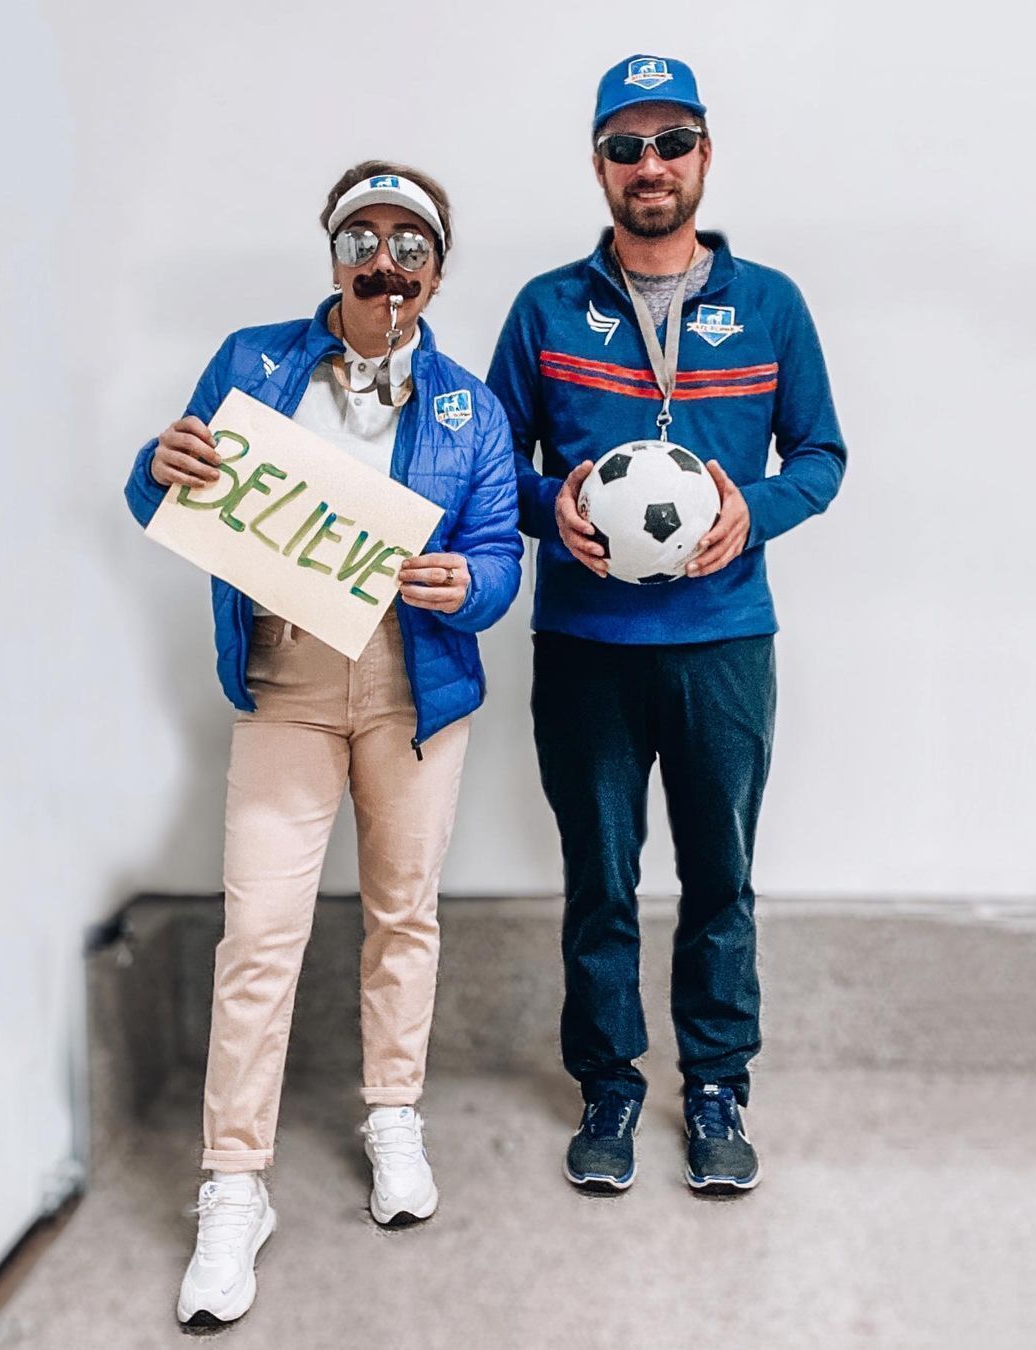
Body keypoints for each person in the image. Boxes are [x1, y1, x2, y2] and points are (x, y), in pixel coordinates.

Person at [124, 162, 522, 1326]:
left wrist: (471, 582)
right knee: (260, 933)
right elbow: (165, 498)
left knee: (405, 911)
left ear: (438, 270)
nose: (387, 259)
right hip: (288, 683)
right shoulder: (253, 362)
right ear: (334, 252)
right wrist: (157, 468)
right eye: (366, 234)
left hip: (415, 690)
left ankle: (393, 1112)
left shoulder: (470, 407)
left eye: (412, 243)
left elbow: (499, 554)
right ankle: (236, 1184)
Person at [487, 55, 846, 1196]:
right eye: (627, 147)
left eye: (671, 141)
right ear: (598, 164)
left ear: (704, 153)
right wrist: (555, 512)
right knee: (599, 877)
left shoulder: (774, 304)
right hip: (587, 648)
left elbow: (823, 457)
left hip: (726, 643)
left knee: (720, 876)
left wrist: (755, 512)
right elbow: (494, 465)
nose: (652, 166)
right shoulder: (546, 307)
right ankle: (607, 1086)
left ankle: (716, 1084)